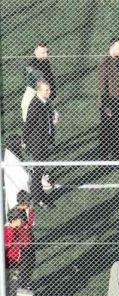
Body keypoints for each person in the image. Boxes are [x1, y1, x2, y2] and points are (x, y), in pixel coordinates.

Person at [23, 80, 57, 208]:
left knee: (40, 170)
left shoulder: (43, 102)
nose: (48, 92)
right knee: (38, 172)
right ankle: (37, 199)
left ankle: (39, 195)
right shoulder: (36, 104)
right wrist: (25, 140)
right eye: (46, 90)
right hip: (37, 144)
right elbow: (29, 124)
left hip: (42, 142)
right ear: (38, 91)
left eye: (49, 89)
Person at [98, 38, 119, 160]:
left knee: (117, 128)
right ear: (111, 47)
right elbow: (102, 87)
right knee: (107, 129)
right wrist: (105, 106)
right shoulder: (105, 64)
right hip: (110, 103)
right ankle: (104, 154)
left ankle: (116, 151)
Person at [22, 42, 56, 123]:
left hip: (44, 94)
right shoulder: (30, 65)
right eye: (43, 53)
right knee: (29, 121)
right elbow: (39, 82)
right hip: (32, 93)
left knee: (46, 121)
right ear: (35, 52)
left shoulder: (46, 63)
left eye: (47, 52)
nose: (46, 55)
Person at [13, 191, 35, 296]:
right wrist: (31, 211)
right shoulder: (17, 213)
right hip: (23, 244)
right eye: (28, 200)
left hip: (27, 242)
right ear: (23, 201)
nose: (30, 202)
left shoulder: (21, 210)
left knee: (30, 263)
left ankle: (26, 283)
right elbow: (27, 226)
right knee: (26, 264)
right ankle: (22, 286)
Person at [4, 209, 27, 296]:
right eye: (20, 220)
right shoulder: (6, 231)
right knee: (6, 286)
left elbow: (25, 243)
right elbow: (5, 248)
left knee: (13, 286)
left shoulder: (19, 230)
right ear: (14, 219)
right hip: (7, 263)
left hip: (15, 263)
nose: (22, 222)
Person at [3, 137, 30, 211]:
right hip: (18, 192)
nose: (22, 146)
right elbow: (25, 177)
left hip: (19, 191)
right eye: (19, 143)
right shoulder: (11, 160)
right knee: (22, 214)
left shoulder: (11, 155)